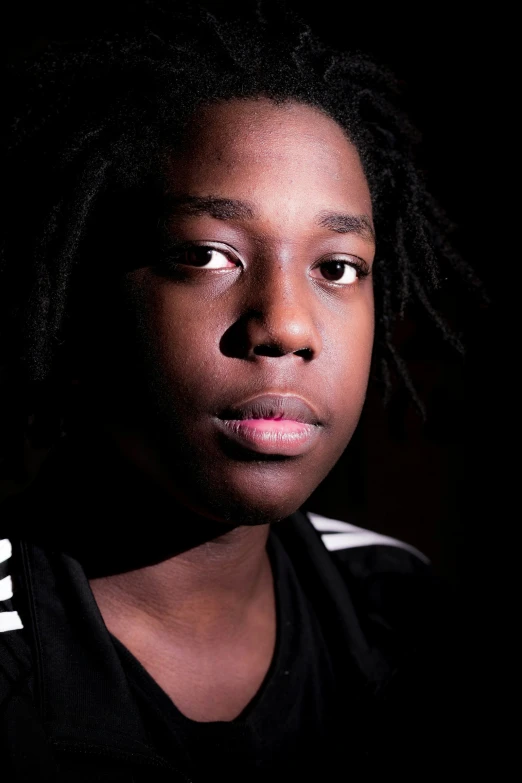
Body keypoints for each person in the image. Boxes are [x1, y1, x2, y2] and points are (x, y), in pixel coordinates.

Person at [0, 2, 475, 780]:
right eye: (208, 254)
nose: (286, 325)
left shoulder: (401, 608)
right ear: (83, 294)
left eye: (338, 267)